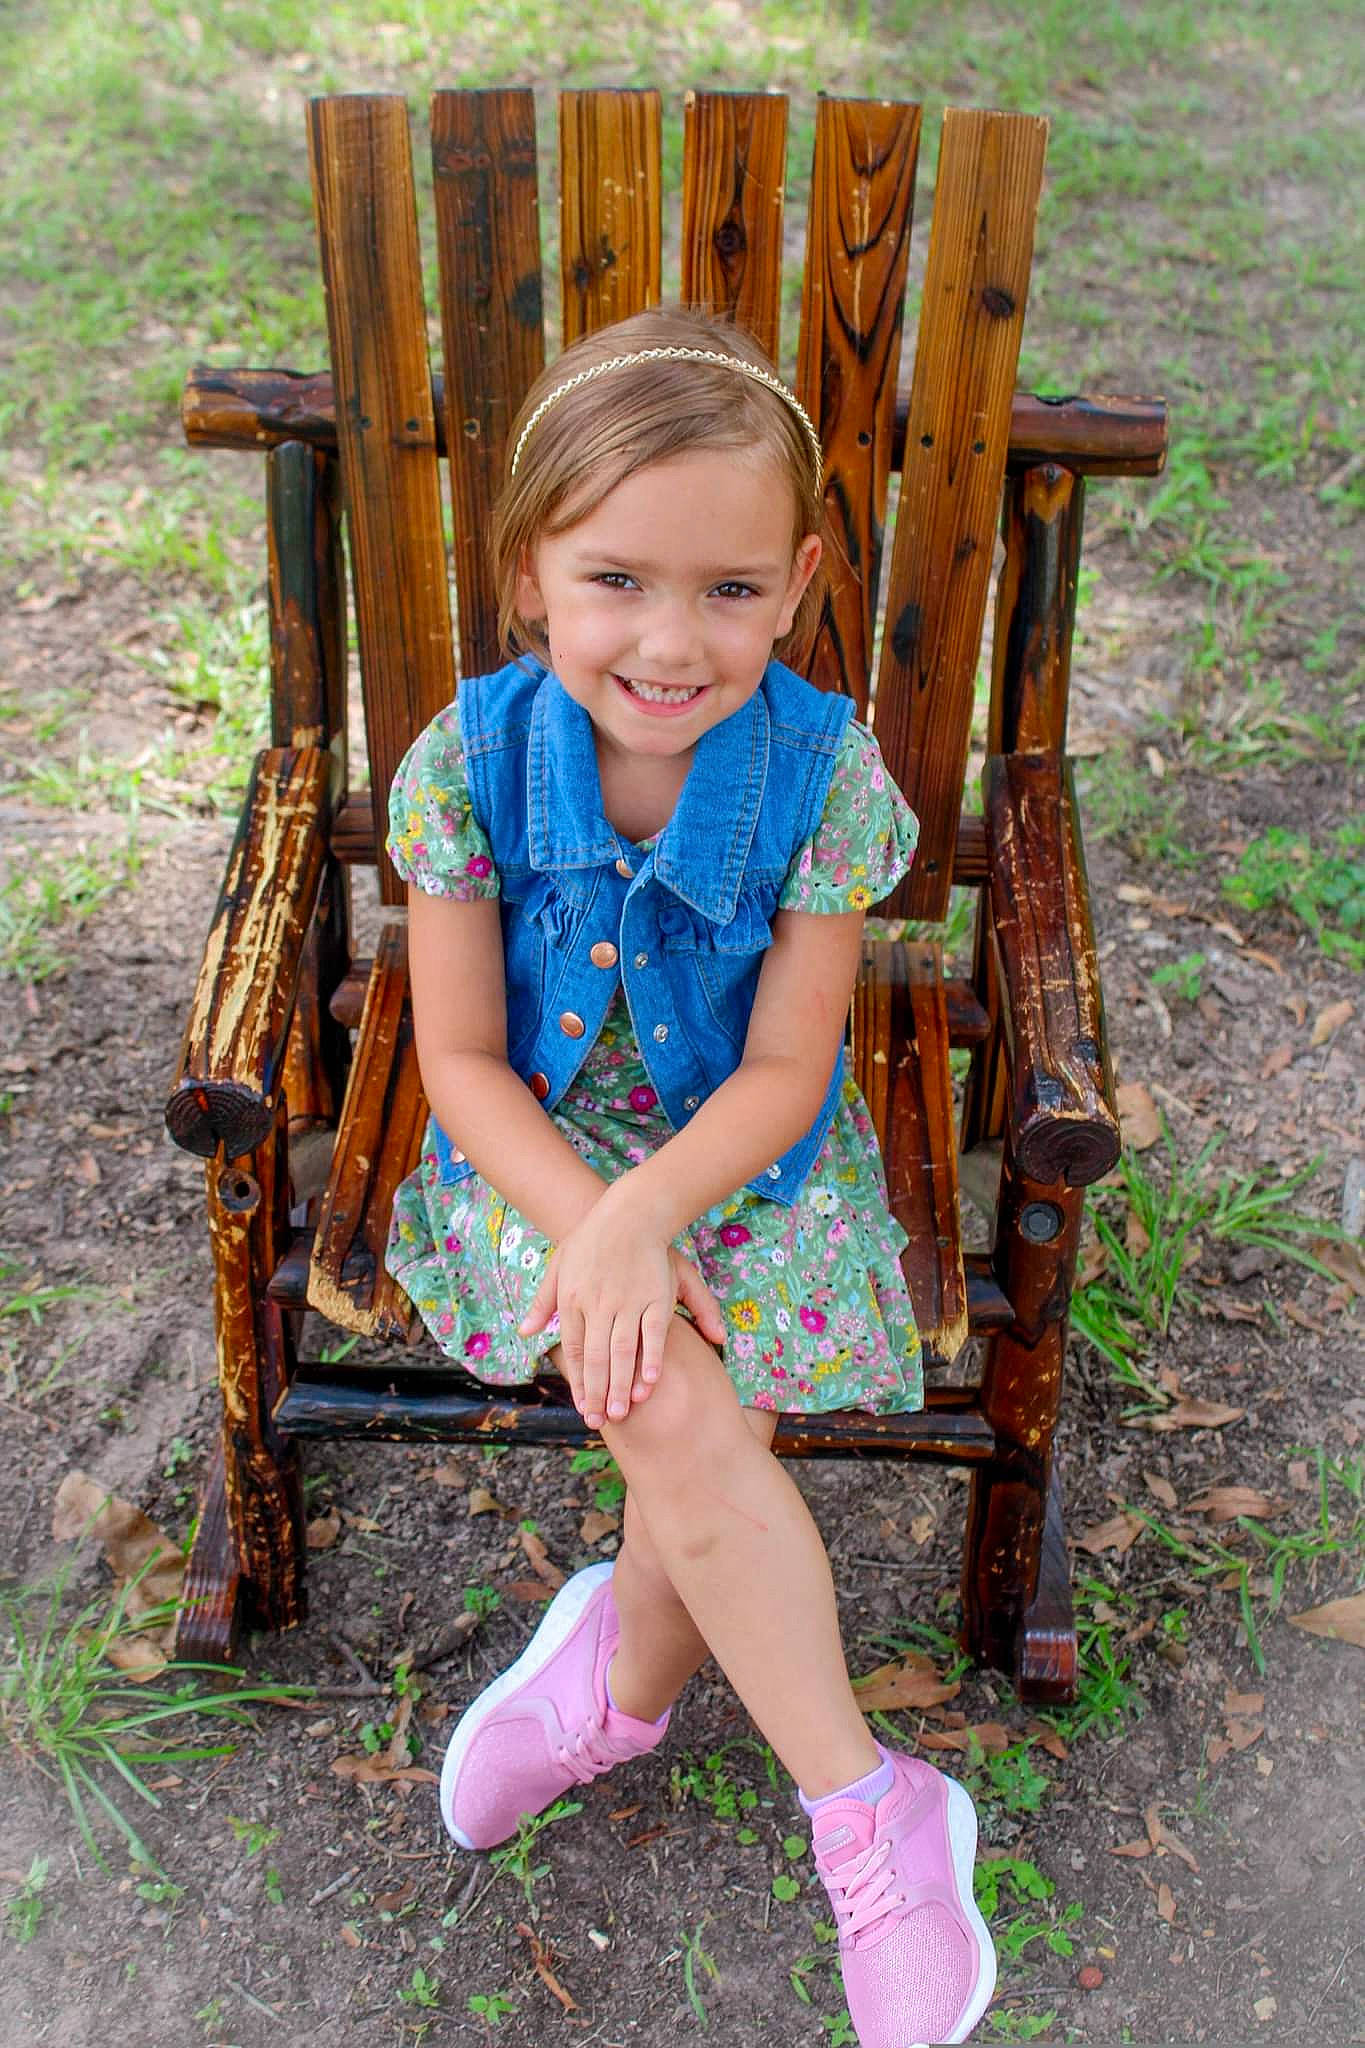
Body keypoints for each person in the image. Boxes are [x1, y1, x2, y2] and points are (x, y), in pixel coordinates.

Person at [384, 305, 997, 2047]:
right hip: (533, 1160)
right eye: (617, 581)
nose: (671, 639)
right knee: (661, 1379)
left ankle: (630, 1700)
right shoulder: (468, 765)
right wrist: (603, 1228)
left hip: (747, 1156)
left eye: (729, 589)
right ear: (530, 577)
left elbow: (794, 1071)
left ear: (798, 580)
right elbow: (464, 1063)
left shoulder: (820, 776)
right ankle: (858, 1803)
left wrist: (661, 1213)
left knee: (670, 1394)